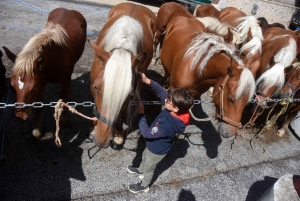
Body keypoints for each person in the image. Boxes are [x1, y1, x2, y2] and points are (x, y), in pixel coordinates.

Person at [127, 72, 194, 193]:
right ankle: (140, 170)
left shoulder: (168, 125)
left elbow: (147, 133)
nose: (166, 99)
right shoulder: (174, 109)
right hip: (152, 145)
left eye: (168, 100)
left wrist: (141, 114)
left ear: (176, 108)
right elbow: (161, 93)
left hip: (157, 150)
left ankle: (144, 185)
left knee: (149, 167)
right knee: (144, 157)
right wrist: (148, 81)